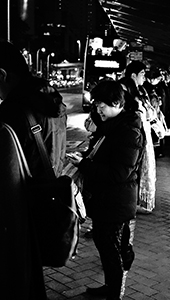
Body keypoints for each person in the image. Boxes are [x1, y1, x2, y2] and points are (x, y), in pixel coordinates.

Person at [0, 40, 68, 299]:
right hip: (46, 202)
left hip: (19, 212)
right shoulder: (51, 101)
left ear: (2, 75)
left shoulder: (11, 112)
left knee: (16, 279)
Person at [69, 80, 145, 300]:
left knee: (110, 249)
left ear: (117, 103)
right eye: (95, 104)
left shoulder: (128, 131)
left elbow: (118, 173)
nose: (97, 109)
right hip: (108, 200)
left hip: (116, 201)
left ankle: (114, 293)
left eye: (101, 105)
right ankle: (110, 287)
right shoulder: (113, 125)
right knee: (107, 245)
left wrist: (84, 165)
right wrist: (85, 158)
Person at [124, 60, 157, 213]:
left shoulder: (141, 91)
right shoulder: (128, 93)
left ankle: (136, 202)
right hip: (134, 137)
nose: (144, 77)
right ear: (133, 75)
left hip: (141, 137)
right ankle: (131, 203)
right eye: (142, 74)